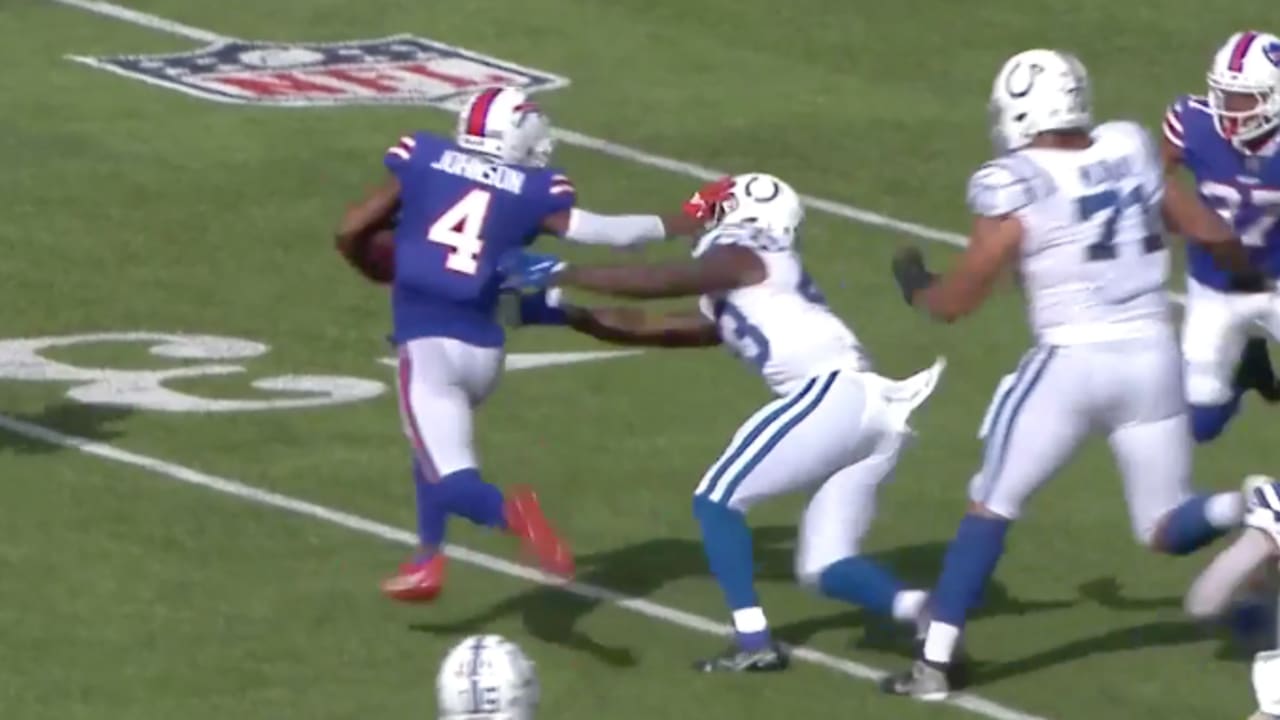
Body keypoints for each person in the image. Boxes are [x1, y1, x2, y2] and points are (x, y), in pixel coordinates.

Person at [879, 48, 1249, 700]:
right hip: (1152, 355)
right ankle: (1255, 503)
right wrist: (1250, 277)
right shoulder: (1130, 147)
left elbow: (959, 300)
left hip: (1072, 362)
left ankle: (934, 664)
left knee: (992, 501)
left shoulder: (1016, 180)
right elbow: (1208, 229)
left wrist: (917, 289)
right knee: (1162, 523)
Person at [501, 172, 945, 672]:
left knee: (716, 500)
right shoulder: (754, 286)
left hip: (831, 394)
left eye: (716, 211)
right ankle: (924, 613)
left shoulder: (748, 255)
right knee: (825, 565)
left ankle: (753, 642)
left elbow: (660, 282)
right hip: (868, 410)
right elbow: (657, 328)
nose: (704, 224)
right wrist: (561, 312)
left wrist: (563, 271)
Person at [333, 85, 714, 601]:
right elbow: (603, 232)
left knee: (453, 478)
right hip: (485, 347)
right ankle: (427, 557)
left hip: (427, 345)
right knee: (428, 450)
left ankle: (517, 518)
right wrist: (683, 220)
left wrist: (378, 261)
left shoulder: (423, 156)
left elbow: (350, 228)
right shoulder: (534, 190)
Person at [1162, 30, 1280, 443]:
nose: (1229, 110)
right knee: (1200, 426)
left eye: (1243, 99)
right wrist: (1183, 218)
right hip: (1216, 283)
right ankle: (1247, 367)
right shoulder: (1192, 123)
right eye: (1223, 94)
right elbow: (1156, 175)